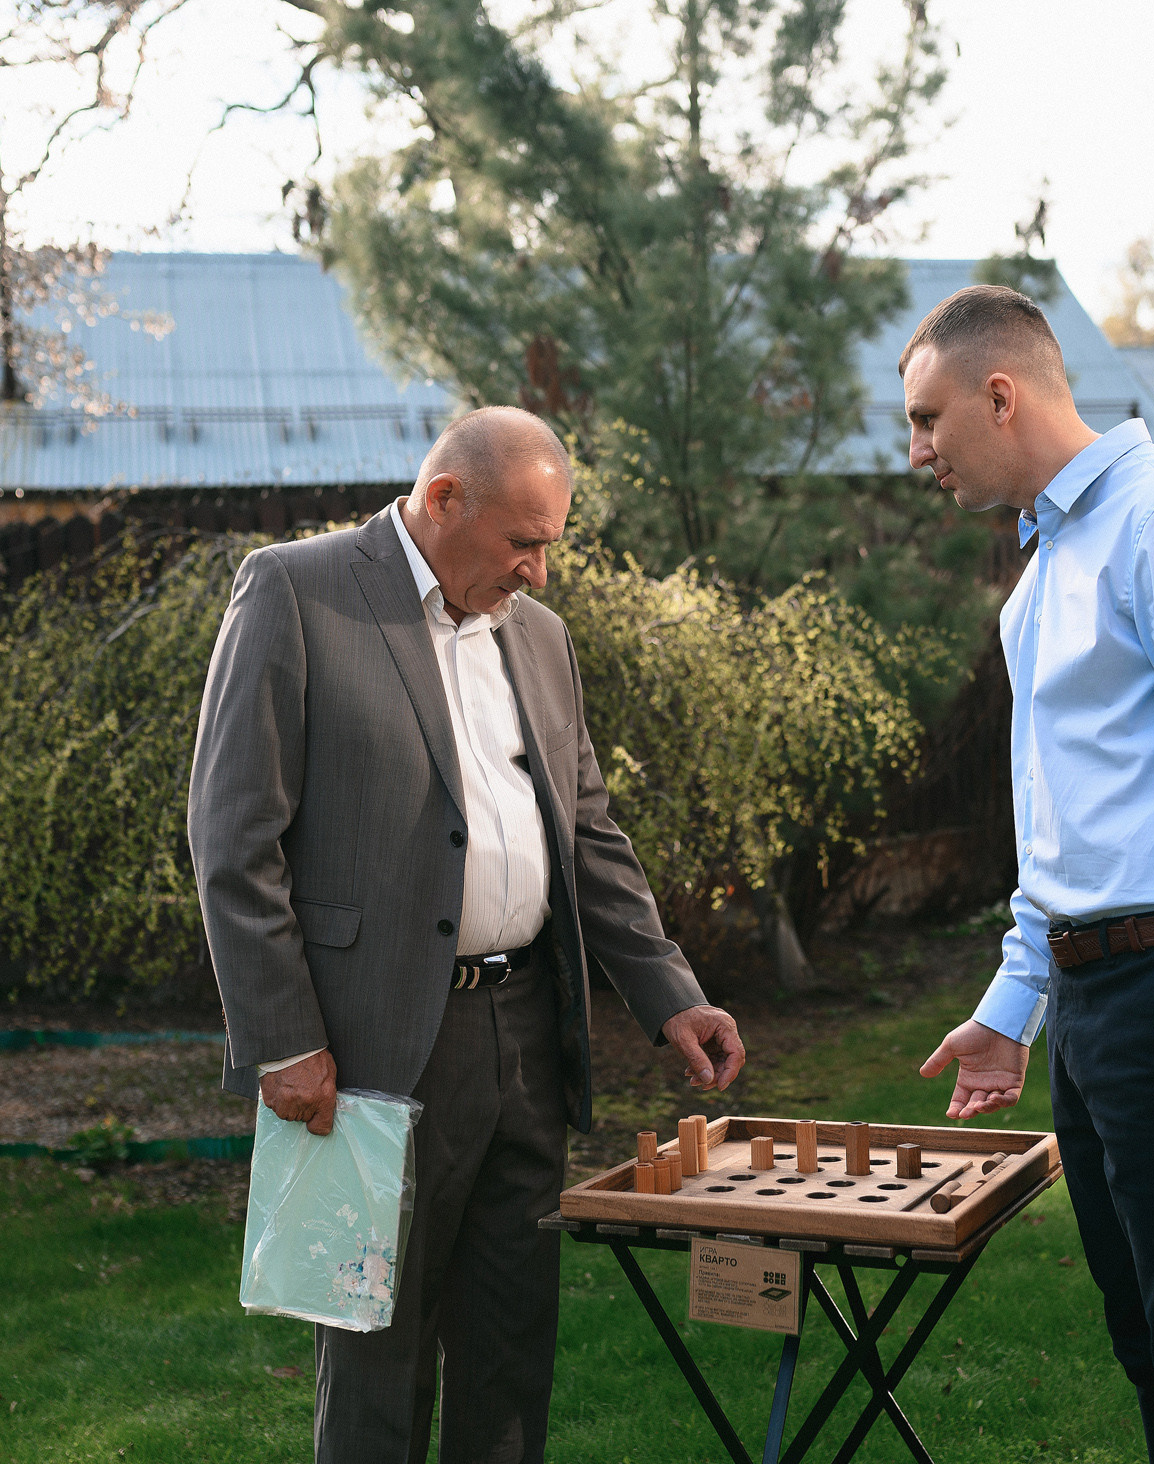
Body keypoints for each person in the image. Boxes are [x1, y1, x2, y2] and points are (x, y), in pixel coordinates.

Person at [188, 405, 746, 1464]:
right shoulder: (296, 590)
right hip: (370, 1052)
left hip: (526, 1039)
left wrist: (670, 992)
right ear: (443, 499)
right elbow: (232, 837)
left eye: (550, 546)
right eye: (522, 543)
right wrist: (282, 1036)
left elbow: (585, 834)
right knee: (376, 1362)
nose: (537, 571)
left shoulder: (540, 637)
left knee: (508, 1349)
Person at [905, 286, 1154, 1463]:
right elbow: (1062, 830)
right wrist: (1014, 1008)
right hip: (1095, 1005)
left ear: (1000, 393)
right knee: (1150, 1339)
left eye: (929, 420)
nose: (918, 451)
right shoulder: (1041, 576)